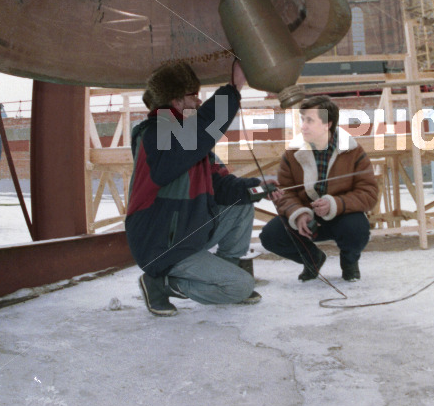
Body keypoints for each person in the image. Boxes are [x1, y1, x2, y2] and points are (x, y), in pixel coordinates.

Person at [125, 59, 279, 316]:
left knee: (242, 204)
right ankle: (160, 282)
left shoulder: (190, 141)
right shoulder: (155, 134)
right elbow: (196, 134)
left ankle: (226, 271)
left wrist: (257, 187)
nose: (198, 102)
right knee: (240, 287)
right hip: (163, 246)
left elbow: (219, 183)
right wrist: (233, 89)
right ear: (175, 101)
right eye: (193, 96)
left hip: (188, 232)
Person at [259, 95, 378, 282]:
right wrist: (299, 213)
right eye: (303, 120)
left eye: (310, 120)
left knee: (357, 228)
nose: (303, 126)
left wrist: (335, 204)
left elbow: (369, 193)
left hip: (341, 216)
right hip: (307, 219)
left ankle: (349, 262)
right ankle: (313, 259)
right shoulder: (292, 154)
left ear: (327, 124)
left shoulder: (353, 151)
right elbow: (286, 192)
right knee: (270, 236)